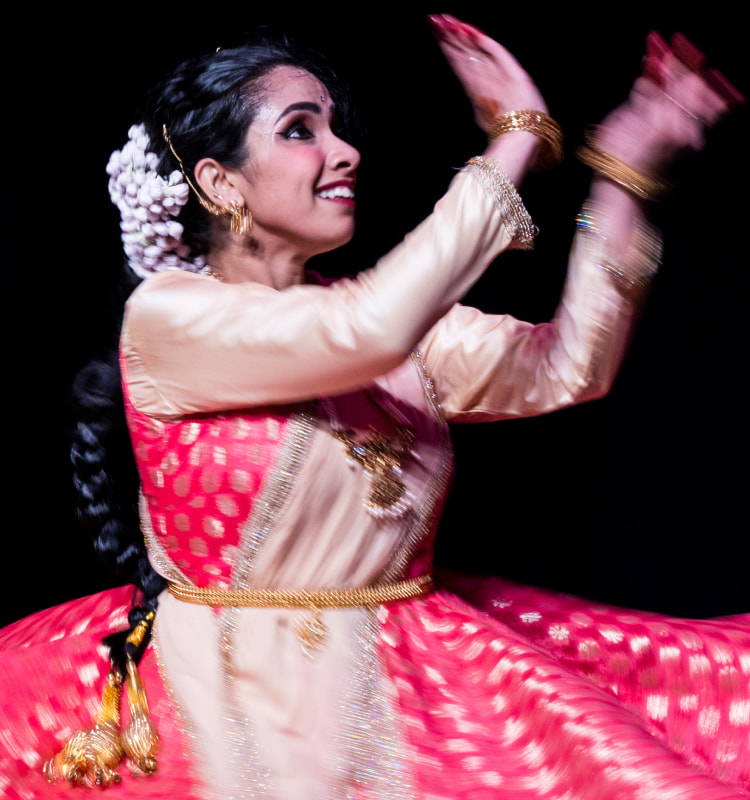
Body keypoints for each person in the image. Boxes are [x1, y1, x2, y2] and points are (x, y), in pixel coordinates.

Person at [1, 13, 747, 800]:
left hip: (409, 680)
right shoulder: (173, 318)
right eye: (300, 131)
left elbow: (568, 366)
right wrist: (516, 136)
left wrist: (621, 176)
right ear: (221, 183)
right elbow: (370, 328)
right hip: (227, 691)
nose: (345, 150)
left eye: (336, 128)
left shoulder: (381, 327)